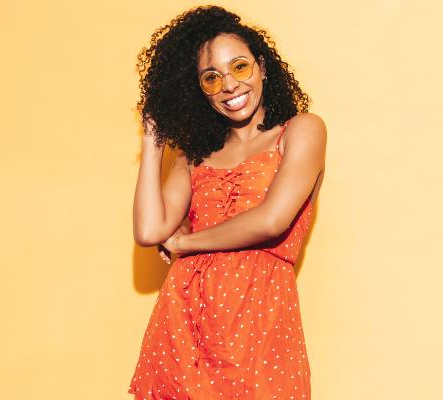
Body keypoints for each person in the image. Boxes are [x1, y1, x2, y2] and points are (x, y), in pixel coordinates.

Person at [128, 5, 325, 399]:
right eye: (211, 78)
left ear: (263, 66)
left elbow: (271, 220)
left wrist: (185, 242)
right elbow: (149, 230)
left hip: (260, 323)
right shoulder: (195, 155)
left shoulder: (301, 131)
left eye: (239, 67)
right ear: (199, 90)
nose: (229, 86)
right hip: (182, 324)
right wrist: (152, 139)